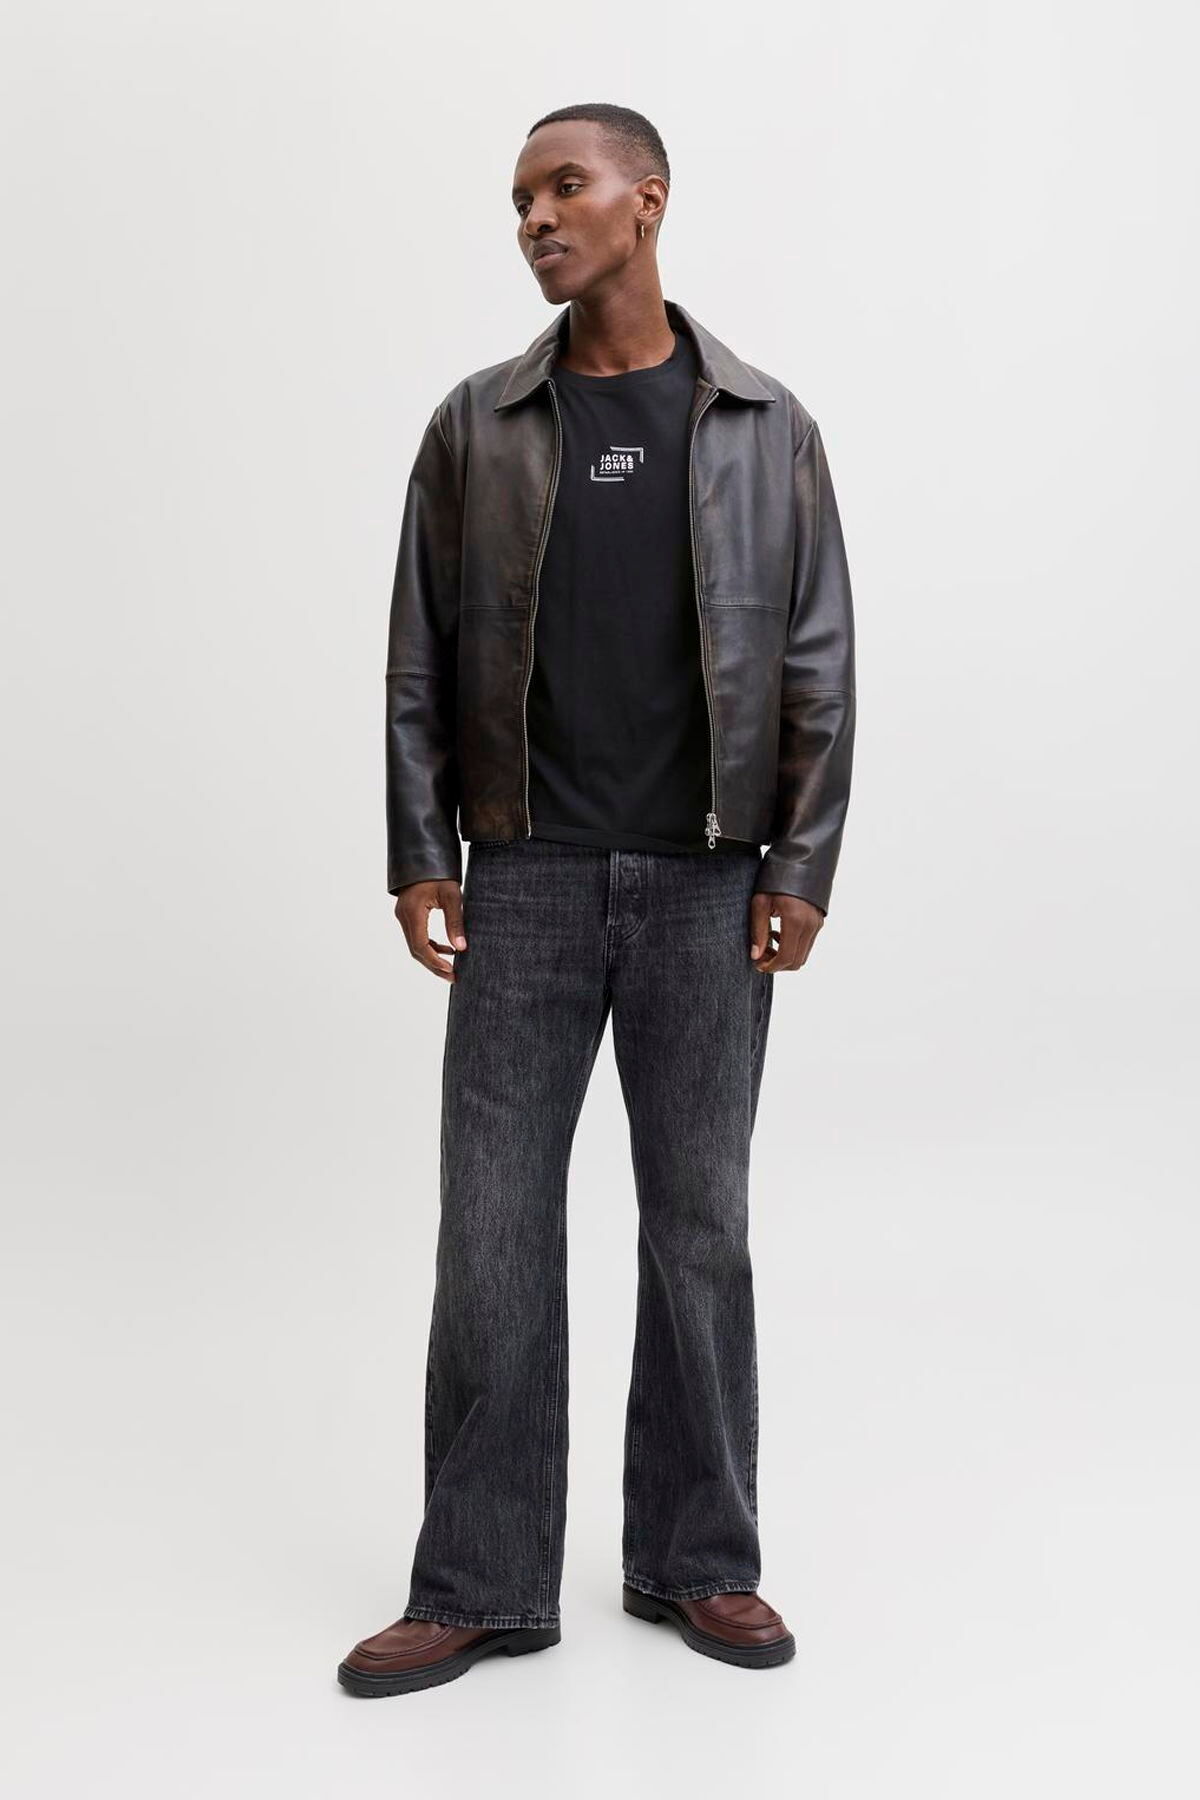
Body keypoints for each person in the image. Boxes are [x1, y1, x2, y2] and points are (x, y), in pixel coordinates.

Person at [337, 101, 856, 1698]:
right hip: (528, 881)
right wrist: (422, 848)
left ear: (650, 201)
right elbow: (419, 656)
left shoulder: (764, 425)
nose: (537, 219)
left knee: (701, 1235)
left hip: (709, 890)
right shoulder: (478, 424)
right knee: (492, 1239)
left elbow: (819, 660)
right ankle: (478, 1583)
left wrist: (799, 862)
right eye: (520, 199)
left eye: (566, 187)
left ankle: (697, 1561)